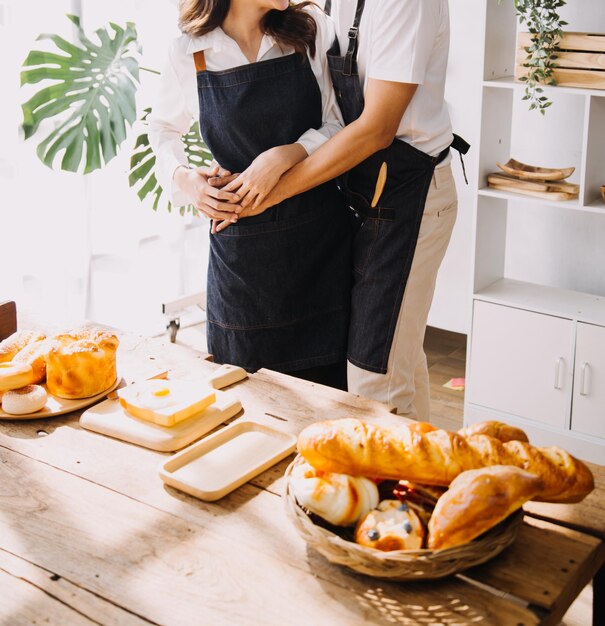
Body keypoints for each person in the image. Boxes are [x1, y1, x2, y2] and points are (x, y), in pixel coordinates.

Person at [214, 0, 467, 420]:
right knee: (397, 362)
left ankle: (382, 485)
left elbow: (376, 129)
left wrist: (268, 193)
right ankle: (423, 480)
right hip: (357, 195)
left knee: (374, 378)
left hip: (408, 197)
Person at [149, 0, 352, 389]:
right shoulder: (190, 52)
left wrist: (283, 156)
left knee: (329, 401)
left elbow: (339, 123)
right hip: (243, 261)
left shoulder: (309, 28)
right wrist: (188, 181)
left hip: (319, 247)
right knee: (250, 398)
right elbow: (161, 131)